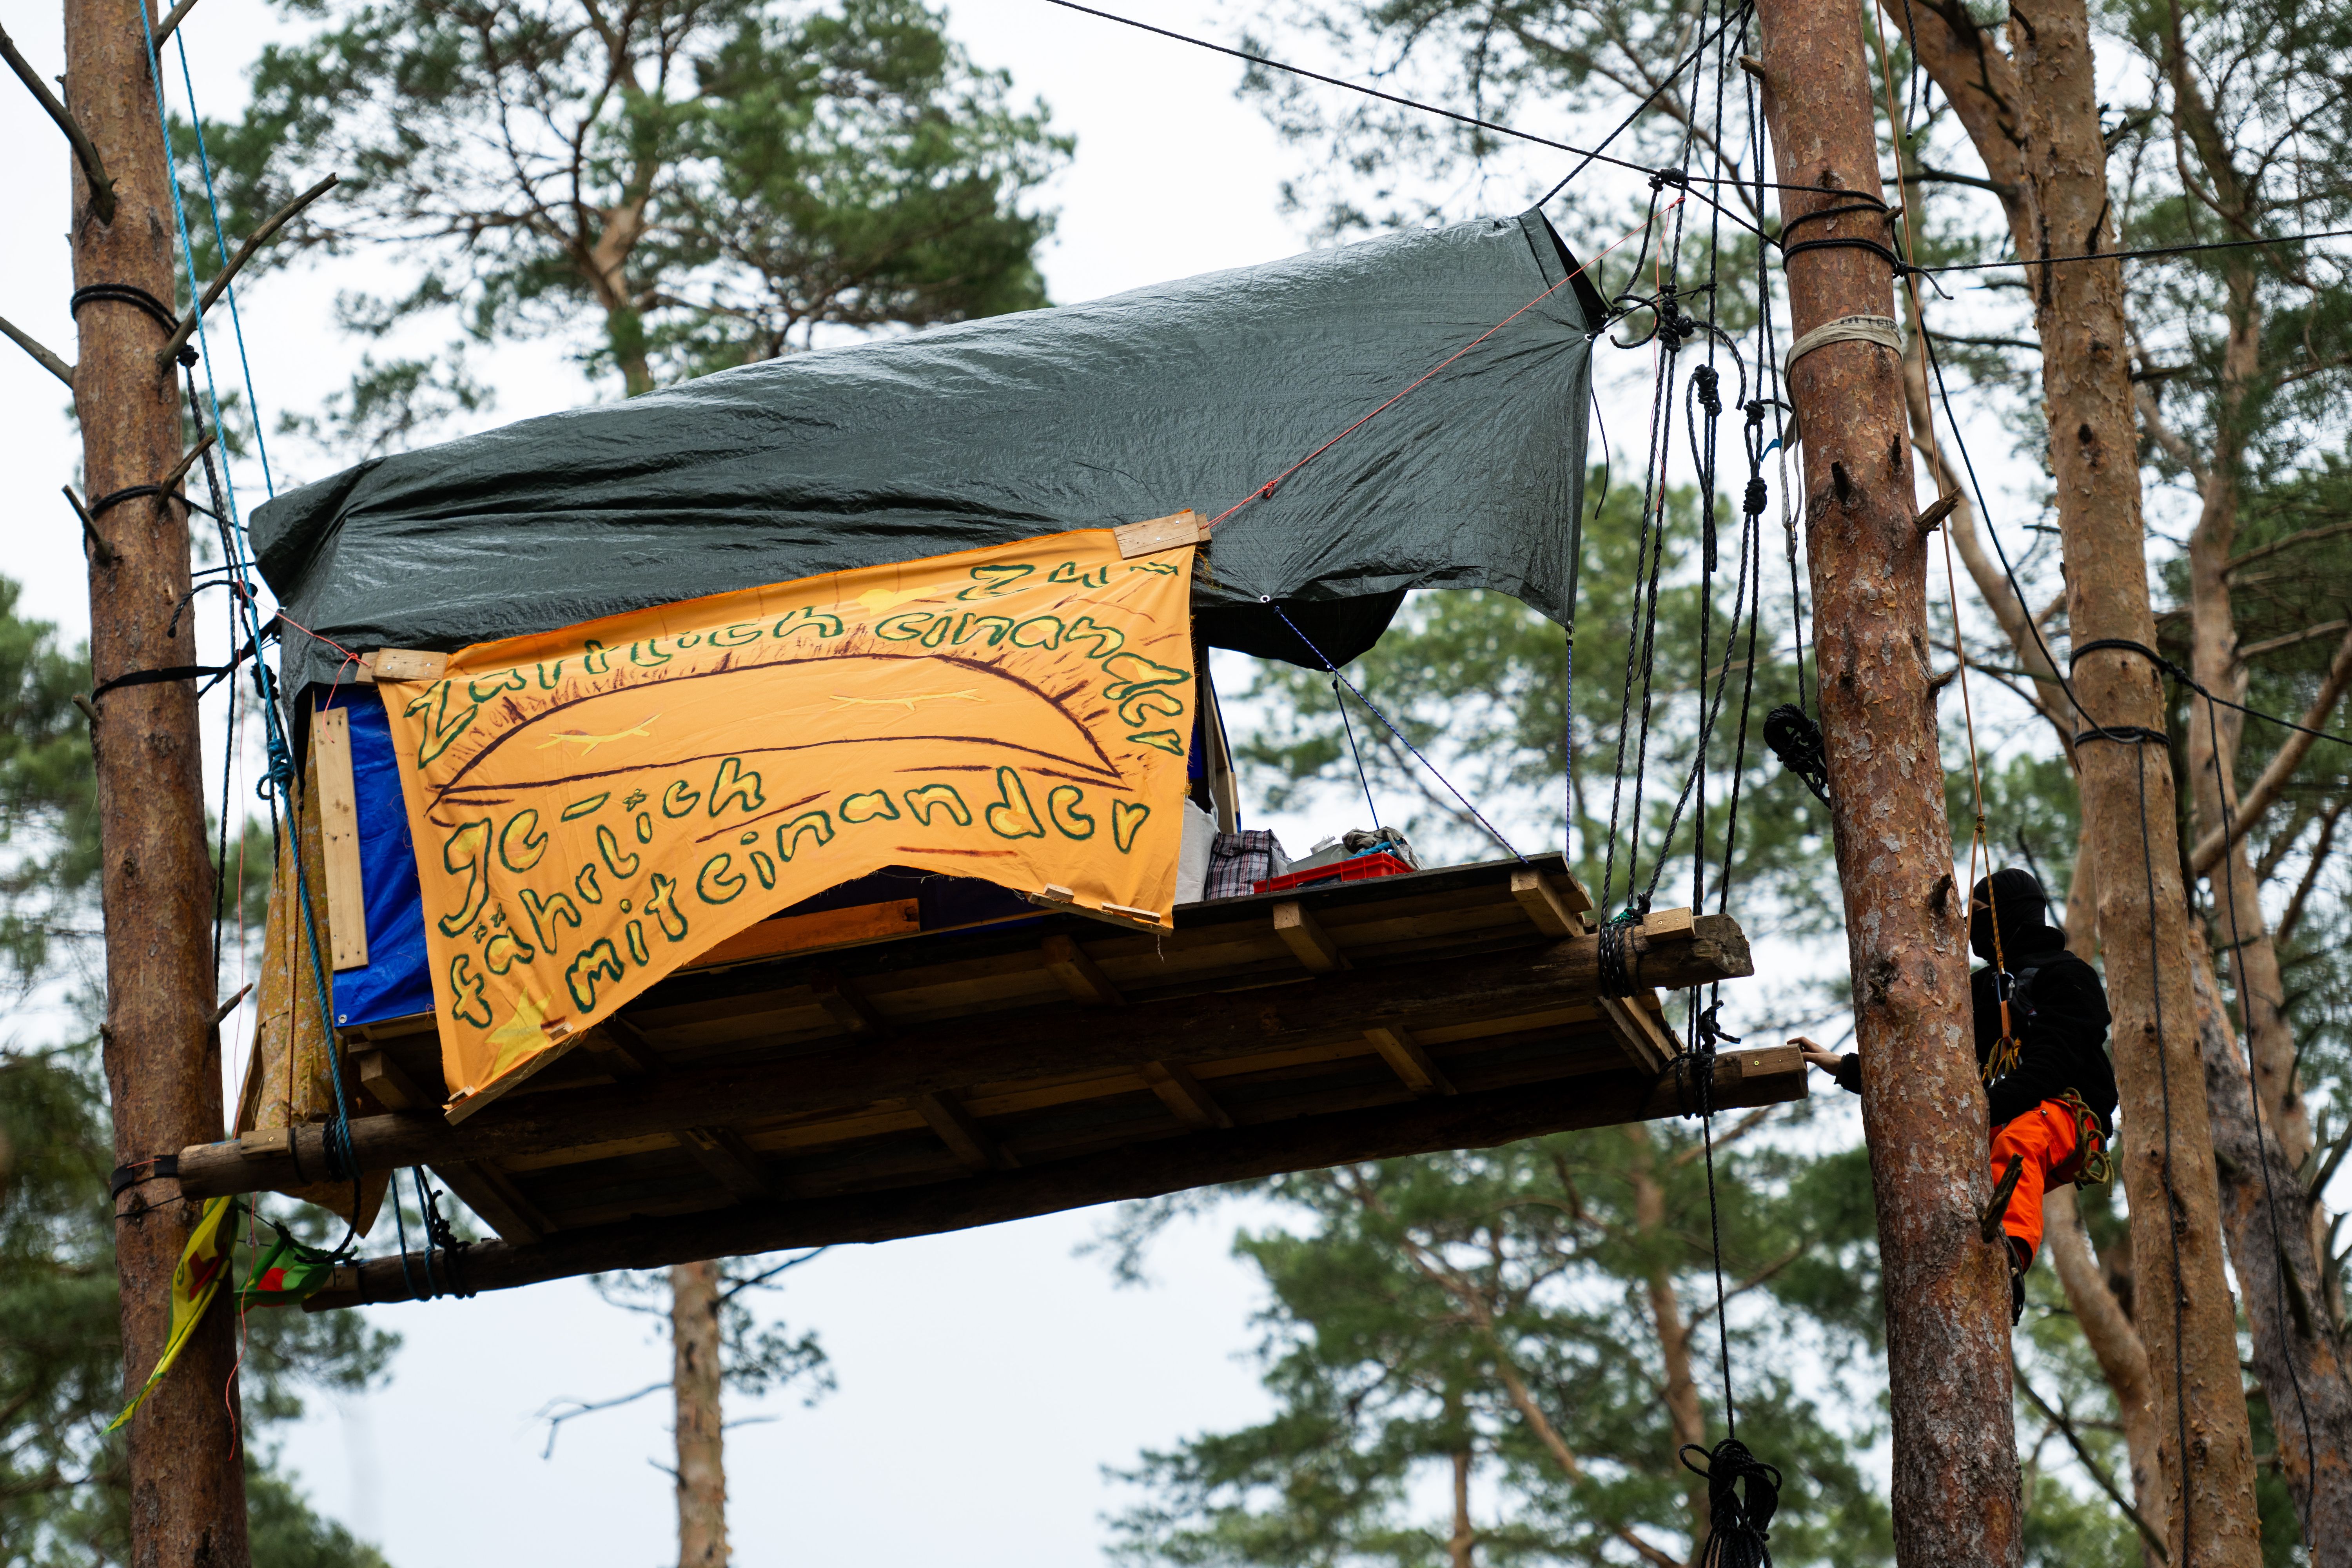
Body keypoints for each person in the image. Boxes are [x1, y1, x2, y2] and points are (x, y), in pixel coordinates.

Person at [1791, 867, 2116, 1323]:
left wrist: (1981, 1109)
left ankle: (2007, 1261)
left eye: (1980, 914)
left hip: (2067, 1112)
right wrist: (1847, 1067)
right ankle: (1951, 1262)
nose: (1969, 926)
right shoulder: (1983, 992)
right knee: (1946, 1180)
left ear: (2012, 915)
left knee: (2020, 1141)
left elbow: (2054, 1063)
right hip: (2003, 1114)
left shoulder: (2066, 975)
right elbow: (1928, 1070)